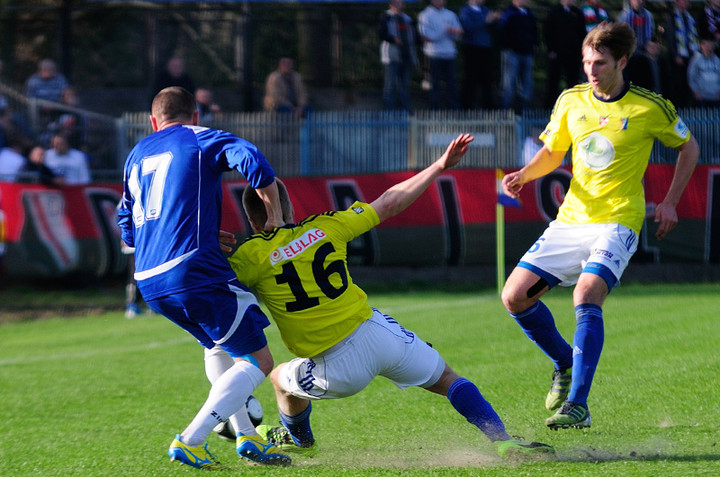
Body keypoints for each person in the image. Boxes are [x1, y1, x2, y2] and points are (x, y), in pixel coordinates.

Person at [219, 134, 555, 461]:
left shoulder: (249, 256)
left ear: (250, 218)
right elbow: (390, 201)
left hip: (336, 366)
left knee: (280, 378)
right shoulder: (326, 227)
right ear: (290, 205)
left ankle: (301, 442)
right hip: (379, 334)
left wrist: (207, 246)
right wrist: (439, 165)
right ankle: (503, 441)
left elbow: (209, 280)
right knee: (450, 380)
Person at [500, 22, 699, 430]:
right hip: (572, 218)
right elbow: (554, 152)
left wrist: (671, 202)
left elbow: (689, 146)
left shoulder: (649, 107)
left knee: (586, 293)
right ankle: (563, 363)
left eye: (601, 62)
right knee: (514, 297)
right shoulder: (571, 101)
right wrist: (525, 173)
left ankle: (578, 405)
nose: (591, 70)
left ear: (622, 62)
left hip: (619, 219)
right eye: (587, 61)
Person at [116, 86, 290, 470]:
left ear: (152, 121)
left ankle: (245, 436)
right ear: (195, 115)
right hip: (192, 269)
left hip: (149, 278)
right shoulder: (200, 138)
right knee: (258, 360)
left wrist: (199, 235)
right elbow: (253, 159)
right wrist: (275, 216)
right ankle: (191, 440)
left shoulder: (136, 154)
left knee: (216, 347)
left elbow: (126, 224)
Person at [417, 0, 463, 110]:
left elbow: (458, 34)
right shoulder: (425, 15)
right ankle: (435, 109)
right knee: (434, 83)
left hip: (449, 54)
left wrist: (454, 32)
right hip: (433, 54)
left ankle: (454, 109)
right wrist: (444, 30)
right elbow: (426, 37)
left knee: (451, 83)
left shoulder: (451, 14)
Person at [543, 0, 587, 109]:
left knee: (573, 82)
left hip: (573, 54)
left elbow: (582, 32)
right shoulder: (554, 11)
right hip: (557, 53)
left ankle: (572, 107)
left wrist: (582, 51)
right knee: (553, 81)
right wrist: (551, 50)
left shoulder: (577, 13)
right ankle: (550, 107)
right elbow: (547, 31)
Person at [459, 0, 501, 110]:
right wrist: (485, 20)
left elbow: (493, 27)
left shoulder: (485, 10)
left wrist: (495, 20)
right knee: (471, 77)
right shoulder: (465, 10)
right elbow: (468, 26)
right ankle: (467, 106)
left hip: (485, 47)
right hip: (472, 47)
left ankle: (488, 106)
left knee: (487, 78)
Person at [497, 0, 538, 112]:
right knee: (508, 82)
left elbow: (534, 31)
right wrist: (508, 46)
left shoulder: (530, 14)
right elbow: (501, 30)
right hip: (512, 52)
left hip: (527, 52)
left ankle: (523, 110)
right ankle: (504, 110)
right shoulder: (508, 13)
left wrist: (535, 45)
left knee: (526, 82)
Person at [378, 0, 419, 112]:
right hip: (392, 56)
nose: (397, 5)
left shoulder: (407, 19)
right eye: (395, 3)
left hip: (406, 56)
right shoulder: (386, 17)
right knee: (390, 85)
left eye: (400, 3)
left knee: (404, 86)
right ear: (390, 5)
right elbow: (382, 34)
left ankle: (404, 111)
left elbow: (415, 37)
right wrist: (393, 38)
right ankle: (389, 112)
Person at [663, 0, 700, 108]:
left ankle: (689, 107)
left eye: (686, 2)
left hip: (691, 56)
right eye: (682, 1)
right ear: (677, 3)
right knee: (678, 84)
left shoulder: (690, 17)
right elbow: (669, 37)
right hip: (678, 56)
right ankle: (678, 108)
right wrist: (675, 55)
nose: (684, 4)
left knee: (690, 83)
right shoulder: (671, 17)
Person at [687, 36, 720, 106]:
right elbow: (691, 76)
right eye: (705, 45)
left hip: (716, 97)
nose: (708, 47)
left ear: (713, 46)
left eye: (710, 45)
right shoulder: (696, 60)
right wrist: (696, 91)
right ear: (701, 46)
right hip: (701, 97)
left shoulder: (717, 60)